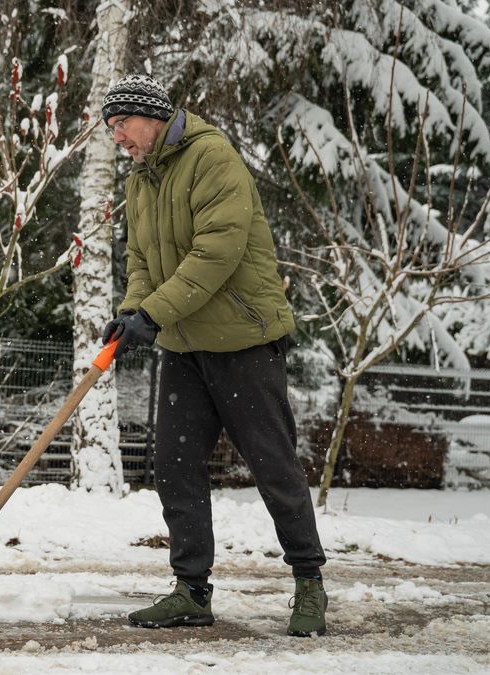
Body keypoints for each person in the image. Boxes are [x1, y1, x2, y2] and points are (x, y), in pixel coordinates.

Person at [100, 74, 328, 637]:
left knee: (273, 465)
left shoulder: (212, 158)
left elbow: (215, 254)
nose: (117, 138)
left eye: (122, 125)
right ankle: (191, 591)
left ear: (152, 116)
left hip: (243, 340)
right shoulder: (140, 181)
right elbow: (140, 262)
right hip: (183, 345)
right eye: (111, 129)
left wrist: (154, 312)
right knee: (174, 467)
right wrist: (132, 311)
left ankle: (309, 582)